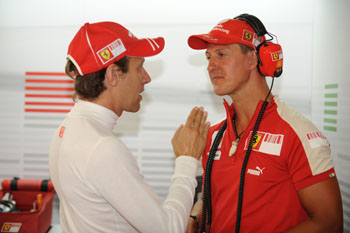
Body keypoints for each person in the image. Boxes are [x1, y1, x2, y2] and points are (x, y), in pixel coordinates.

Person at [186, 14, 343, 233]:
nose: (211, 66)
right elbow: (215, 200)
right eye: (208, 57)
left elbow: (330, 223)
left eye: (221, 54)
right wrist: (194, 215)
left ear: (253, 59)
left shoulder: (297, 133)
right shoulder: (213, 135)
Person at [49, 21, 210, 233]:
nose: (147, 78)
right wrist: (186, 160)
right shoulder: (102, 148)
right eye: (140, 67)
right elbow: (169, 229)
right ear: (114, 75)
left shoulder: (67, 128)